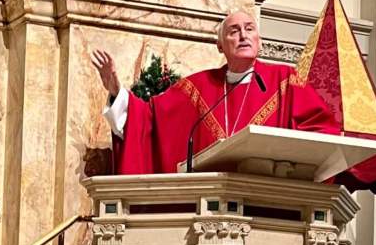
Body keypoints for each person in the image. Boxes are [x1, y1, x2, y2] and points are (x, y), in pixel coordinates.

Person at [92, 10, 339, 176]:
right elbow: (148, 120)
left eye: (249, 29)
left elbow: (321, 134)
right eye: (233, 31)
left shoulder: (285, 82)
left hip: (270, 210)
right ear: (220, 45)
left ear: (260, 40)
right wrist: (116, 91)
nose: (243, 35)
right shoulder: (197, 89)